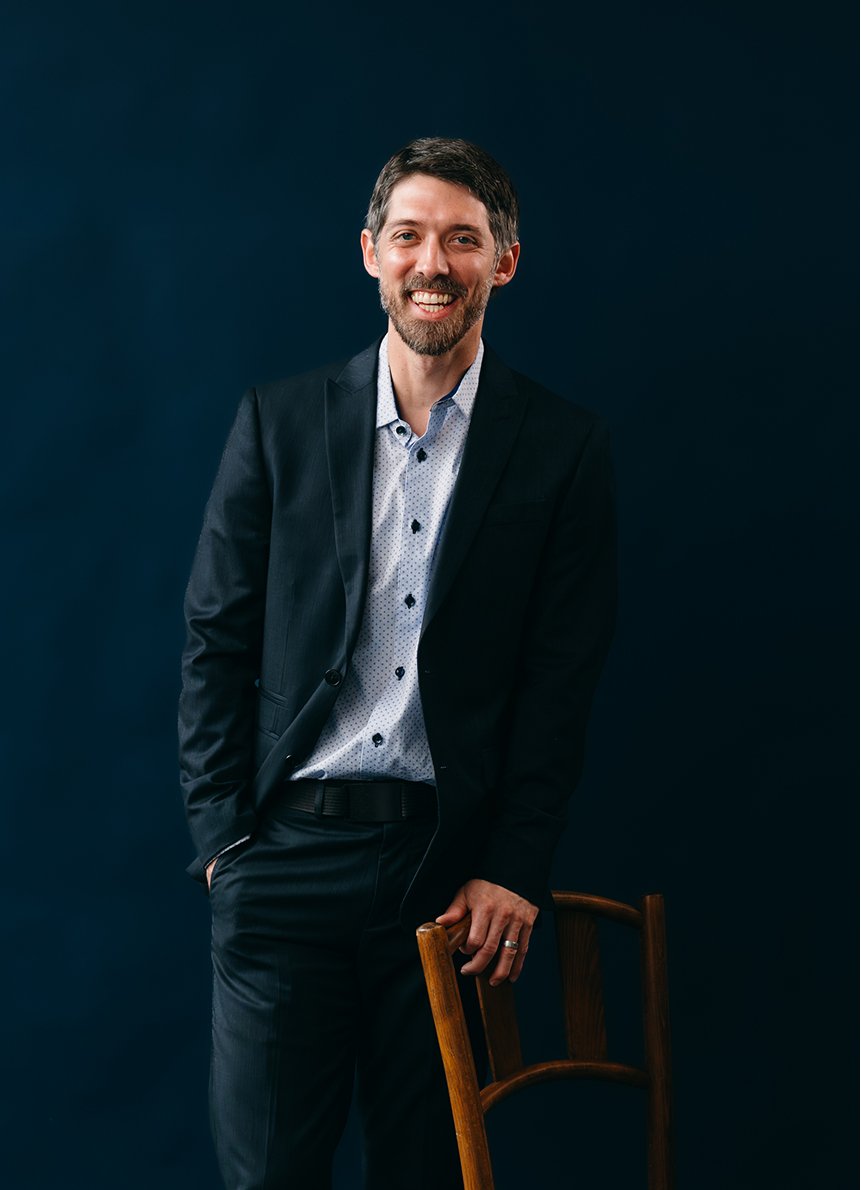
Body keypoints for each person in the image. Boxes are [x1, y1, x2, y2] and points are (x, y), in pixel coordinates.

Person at [179, 136, 617, 1190]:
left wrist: (515, 861)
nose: (436, 262)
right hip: (281, 861)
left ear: (504, 262)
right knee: (272, 1175)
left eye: (464, 240)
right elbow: (215, 638)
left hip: (446, 879)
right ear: (372, 253)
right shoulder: (277, 424)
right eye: (412, 235)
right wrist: (221, 841)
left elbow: (562, 680)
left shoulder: (561, 448)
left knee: (426, 1173)